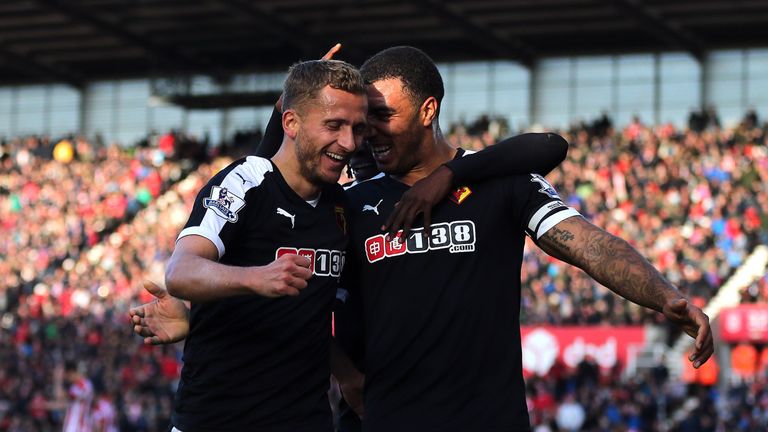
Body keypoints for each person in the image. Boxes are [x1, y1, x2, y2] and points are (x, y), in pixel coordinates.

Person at [134, 46, 712, 431]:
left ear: (429, 109)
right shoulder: (350, 199)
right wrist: (346, 376)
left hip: (486, 421)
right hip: (379, 421)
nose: (366, 132)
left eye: (379, 116)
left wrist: (662, 294)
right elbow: (282, 260)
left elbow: (584, 238)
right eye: (357, 120)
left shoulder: (498, 183)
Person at [147, 58, 368, 432]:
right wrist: (256, 278)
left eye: (357, 128)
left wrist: (347, 376)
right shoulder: (245, 182)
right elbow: (180, 272)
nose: (348, 143)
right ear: (291, 122)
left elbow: (310, 317)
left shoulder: (341, 207)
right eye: (333, 125)